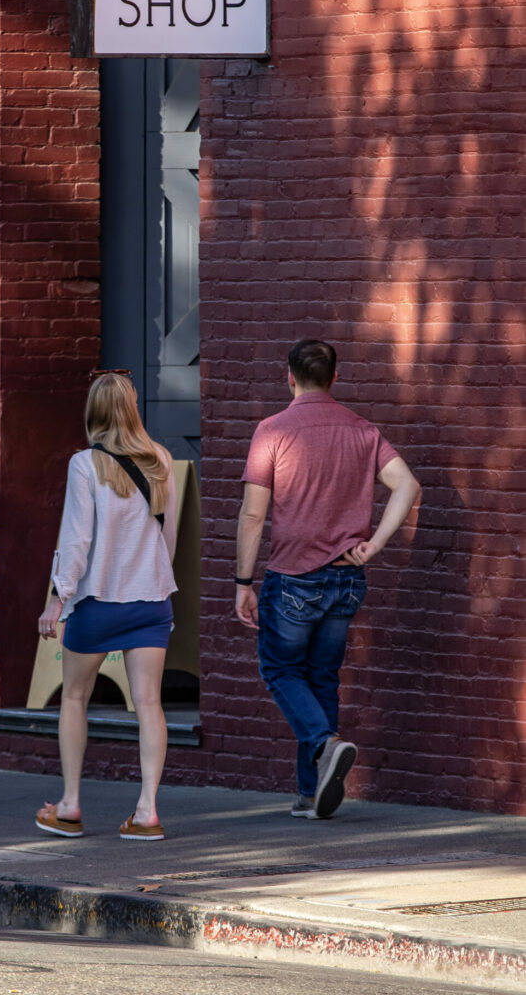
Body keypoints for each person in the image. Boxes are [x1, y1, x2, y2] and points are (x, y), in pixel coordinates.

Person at [234, 339, 420, 820]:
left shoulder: (272, 431)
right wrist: (374, 544)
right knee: (321, 678)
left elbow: (253, 517)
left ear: (288, 376)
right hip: (346, 579)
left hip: (293, 579)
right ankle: (309, 793)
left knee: (280, 671)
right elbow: (408, 484)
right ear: (335, 378)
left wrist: (243, 582)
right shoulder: (362, 430)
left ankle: (324, 744)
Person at [36, 371, 178, 841]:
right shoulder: (161, 459)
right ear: (133, 409)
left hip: (98, 602)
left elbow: (76, 541)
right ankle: (147, 811)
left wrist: (58, 599)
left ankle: (71, 805)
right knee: (150, 704)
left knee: (75, 697)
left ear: (94, 411)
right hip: (151, 602)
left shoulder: (85, 465)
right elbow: (168, 538)